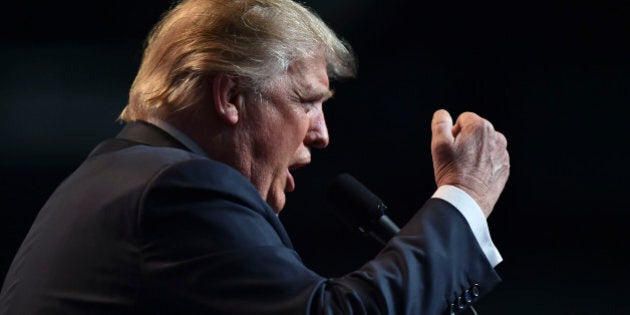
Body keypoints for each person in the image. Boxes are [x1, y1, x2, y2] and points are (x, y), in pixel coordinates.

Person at [0, 0, 510, 314]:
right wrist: (462, 198)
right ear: (229, 98)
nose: (322, 134)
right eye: (307, 102)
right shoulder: (182, 192)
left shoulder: (109, 177)